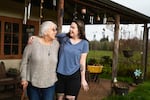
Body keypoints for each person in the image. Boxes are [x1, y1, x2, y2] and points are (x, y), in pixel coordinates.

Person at [20, 21, 59, 100]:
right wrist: (24, 78)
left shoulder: (56, 44)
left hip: (50, 83)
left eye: (56, 29)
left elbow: (68, 36)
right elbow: (24, 62)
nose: (56, 32)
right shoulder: (33, 43)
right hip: (33, 83)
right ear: (45, 32)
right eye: (53, 30)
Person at [55, 20, 89, 100]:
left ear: (79, 30)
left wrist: (83, 80)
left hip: (74, 75)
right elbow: (49, 36)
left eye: (73, 27)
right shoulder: (64, 38)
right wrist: (35, 38)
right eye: (70, 27)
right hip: (60, 74)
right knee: (59, 98)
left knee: (70, 98)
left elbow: (82, 62)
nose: (70, 29)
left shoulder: (84, 43)